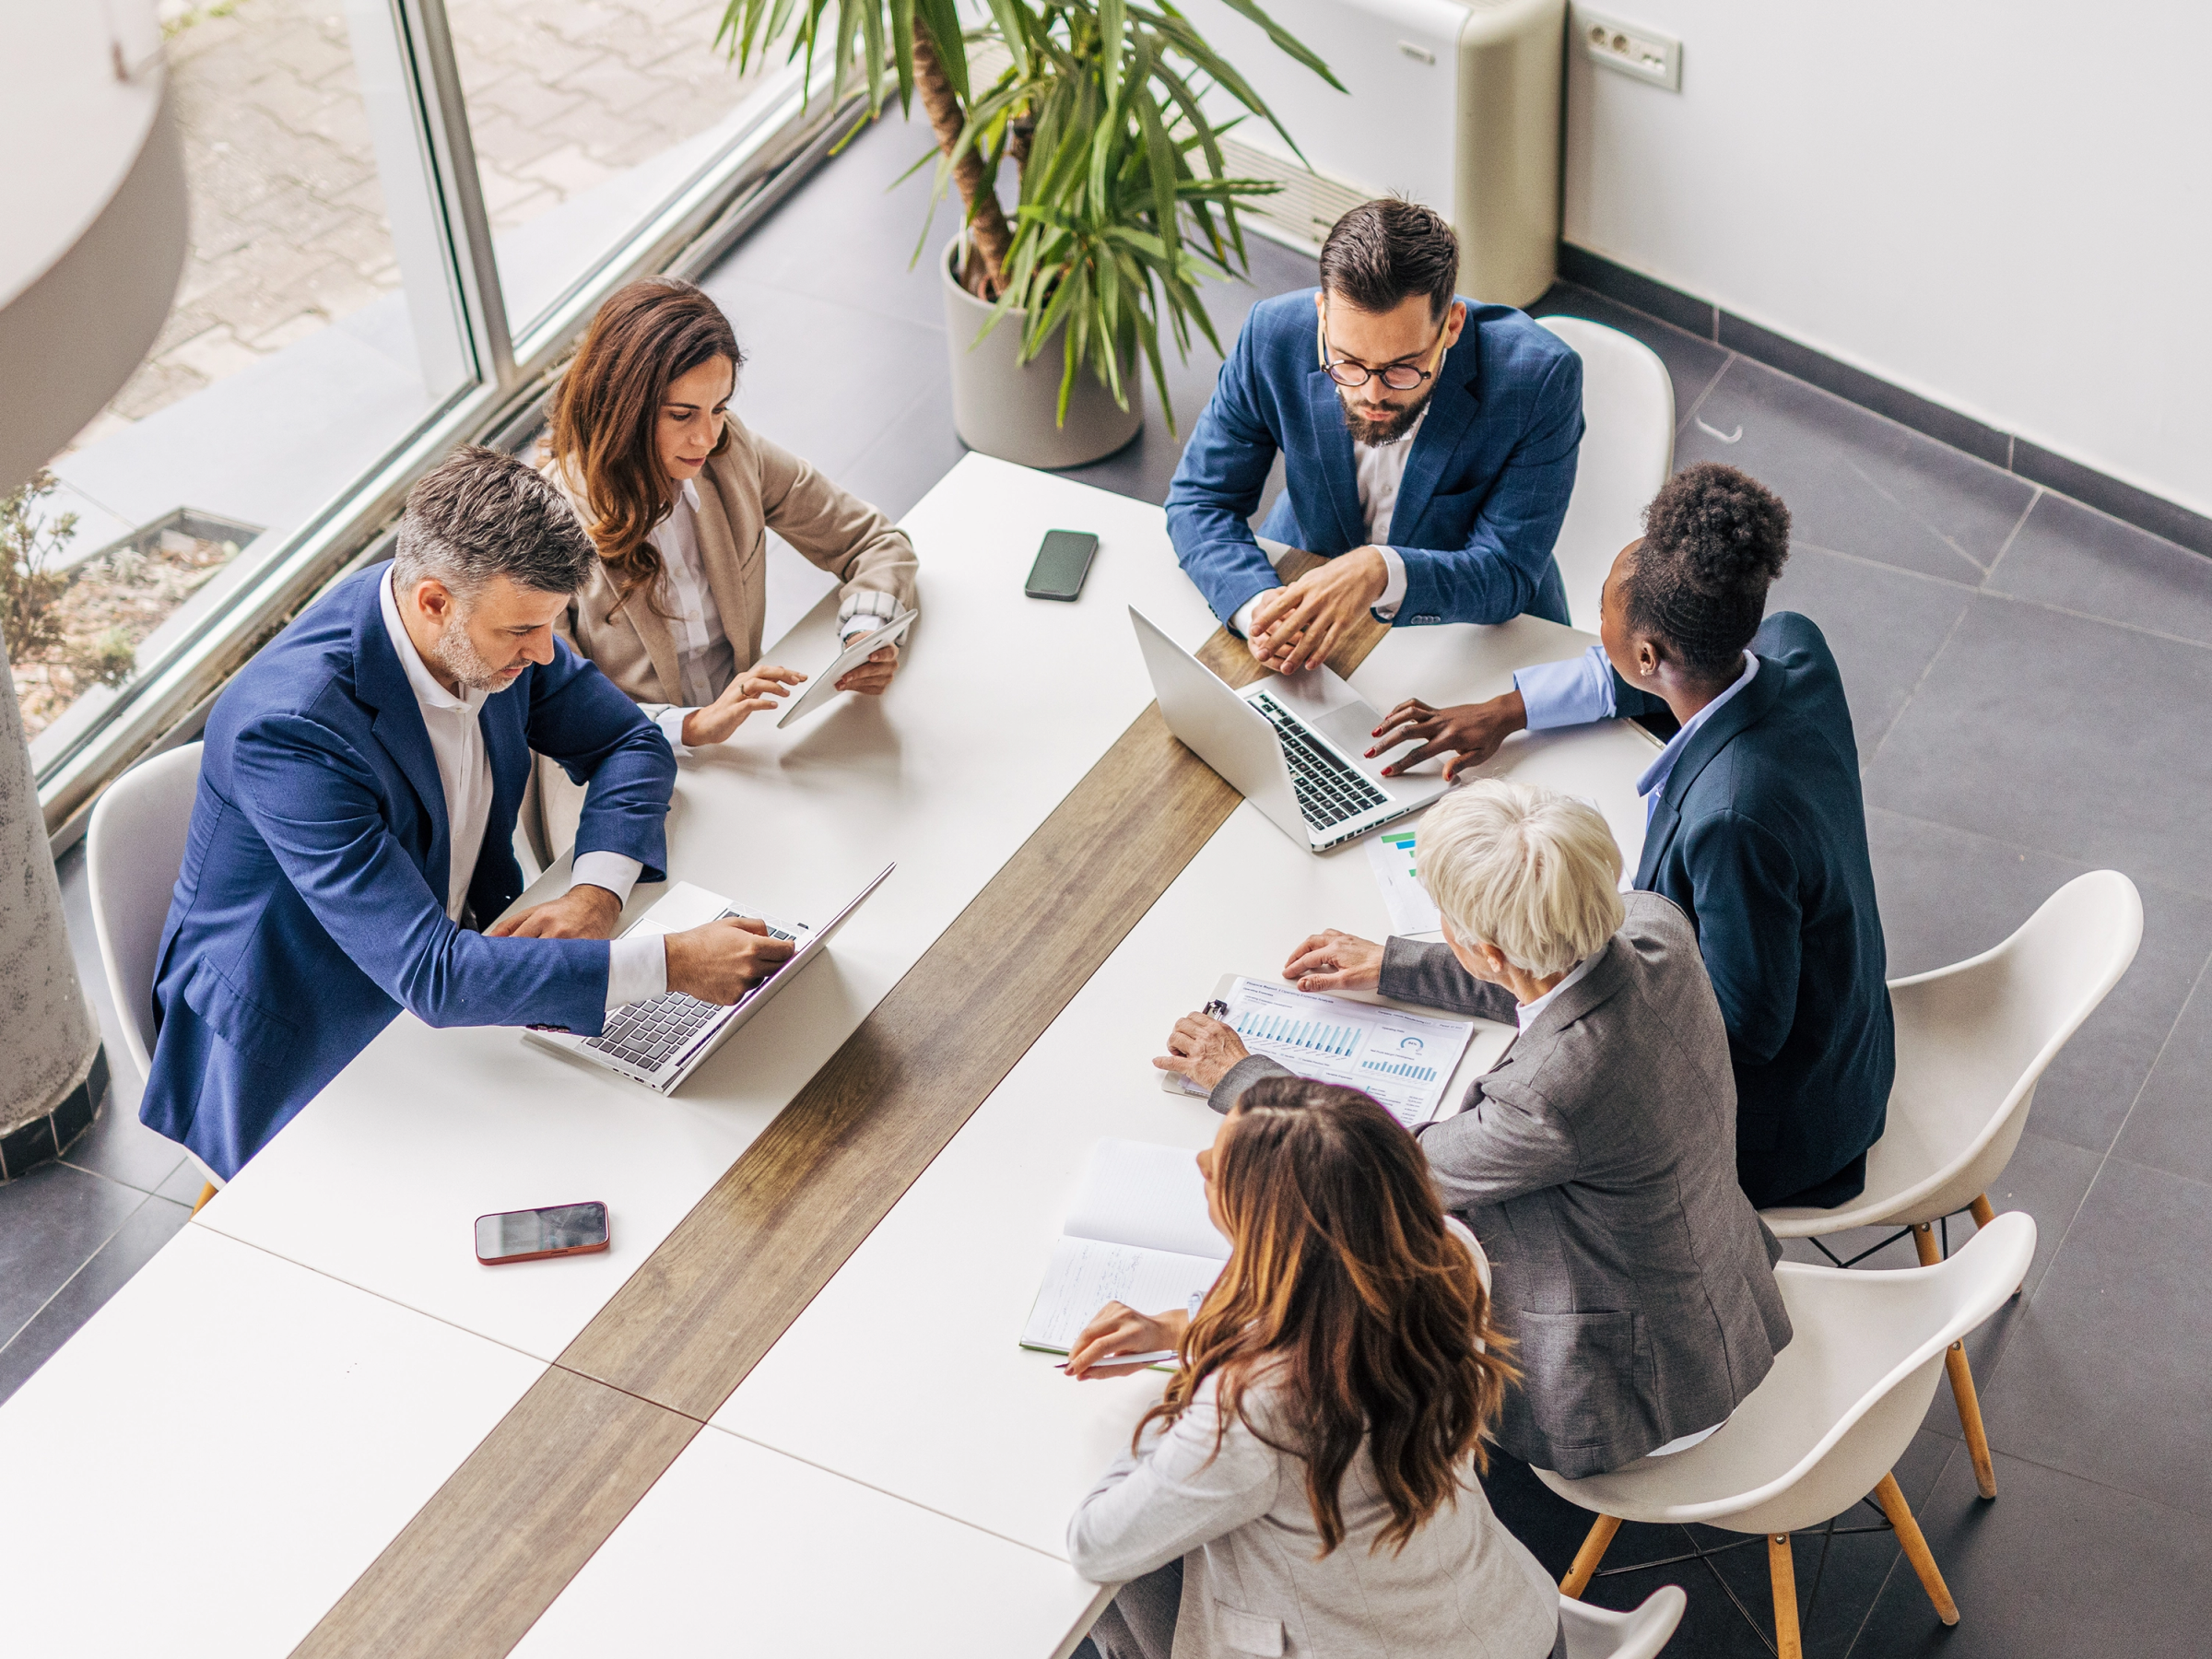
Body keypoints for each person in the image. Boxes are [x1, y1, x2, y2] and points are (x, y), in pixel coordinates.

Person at [138, 447, 796, 1179]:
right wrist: (669, 963)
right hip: (301, 1041)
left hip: (455, 964)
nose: (546, 654)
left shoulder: (487, 622)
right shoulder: (292, 730)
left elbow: (629, 742)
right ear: (432, 603)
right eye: (521, 633)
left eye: (552, 625)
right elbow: (433, 976)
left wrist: (593, 898)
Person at [1155, 780, 1792, 1478]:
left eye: (1448, 922)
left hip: (1648, 1392)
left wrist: (1241, 1077)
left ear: (1488, 952)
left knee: (1365, 1273)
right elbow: (1552, 965)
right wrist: (1399, 965)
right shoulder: (1655, 926)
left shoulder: (1549, 1094)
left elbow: (1385, 1163)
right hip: (1722, 1290)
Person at [1363, 464, 1893, 1208]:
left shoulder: (1731, 820)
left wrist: (1530, 941)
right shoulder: (1793, 649)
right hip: (1853, 1043)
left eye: (1604, 623)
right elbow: (1633, 674)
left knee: (1522, 1176)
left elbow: (1741, 1031)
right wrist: (1509, 711)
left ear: (1650, 656)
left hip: (1782, 1128)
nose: (1597, 633)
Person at [1064, 1077, 1563, 1659]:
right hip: (1513, 1627)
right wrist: (1190, 1325)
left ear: (1277, 1223)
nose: (1200, 1161)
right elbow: (1336, 1309)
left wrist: (1176, 1404)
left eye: (1222, 1166)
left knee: (1124, 1584)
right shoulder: (1450, 1259)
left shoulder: (1256, 1408)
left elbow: (1096, 1544)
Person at [1163, 197, 1583, 676]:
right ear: (1322, 316)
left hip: (1472, 632)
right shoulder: (1271, 335)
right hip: (1303, 581)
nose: (1371, 394)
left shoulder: (1539, 378)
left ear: (1452, 325)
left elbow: (1506, 570)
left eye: (1402, 368)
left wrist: (1382, 570)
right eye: (1347, 363)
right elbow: (1199, 501)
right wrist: (1259, 609)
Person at [539, 276, 918, 771]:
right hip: (623, 763)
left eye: (719, 408)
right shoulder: (546, 519)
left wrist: (865, 636)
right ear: (623, 408)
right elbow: (557, 710)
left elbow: (873, 542)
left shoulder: (730, 452)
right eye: (682, 415)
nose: (706, 437)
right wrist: (693, 727)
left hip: (747, 740)